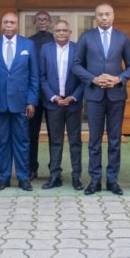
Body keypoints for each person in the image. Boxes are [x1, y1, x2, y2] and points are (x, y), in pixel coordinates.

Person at [72, 3, 130, 195]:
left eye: (107, 14)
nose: (104, 17)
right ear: (95, 17)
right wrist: (92, 79)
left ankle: (112, 180)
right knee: (94, 140)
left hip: (116, 95)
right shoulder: (86, 37)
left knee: (115, 140)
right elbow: (76, 65)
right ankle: (95, 180)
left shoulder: (122, 38)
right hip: (94, 95)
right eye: (100, 15)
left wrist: (119, 79)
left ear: (113, 16)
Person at [0, 12, 39, 192]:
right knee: (2, 141)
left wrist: (31, 101)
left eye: (12, 22)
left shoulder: (27, 45)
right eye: (5, 22)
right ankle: (4, 177)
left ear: (17, 25)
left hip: (21, 102)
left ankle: (23, 177)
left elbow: (34, 76)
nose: (8, 25)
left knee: (22, 141)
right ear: (1, 24)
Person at [39, 20, 85, 190]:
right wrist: (53, 97)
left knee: (75, 141)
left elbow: (84, 77)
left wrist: (73, 97)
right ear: (53, 33)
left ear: (70, 32)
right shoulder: (45, 49)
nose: (61, 33)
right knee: (55, 141)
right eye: (58, 30)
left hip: (73, 103)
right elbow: (41, 76)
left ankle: (76, 176)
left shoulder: (78, 49)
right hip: (54, 104)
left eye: (64, 30)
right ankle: (55, 176)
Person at [27, 11, 54, 181]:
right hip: (34, 96)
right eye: (39, 20)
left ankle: (54, 169)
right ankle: (31, 168)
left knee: (54, 135)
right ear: (35, 23)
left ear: (50, 22)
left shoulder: (55, 40)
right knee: (31, 134)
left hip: (53, 95)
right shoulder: (29, 42)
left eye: (45, 20)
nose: (42, 22)